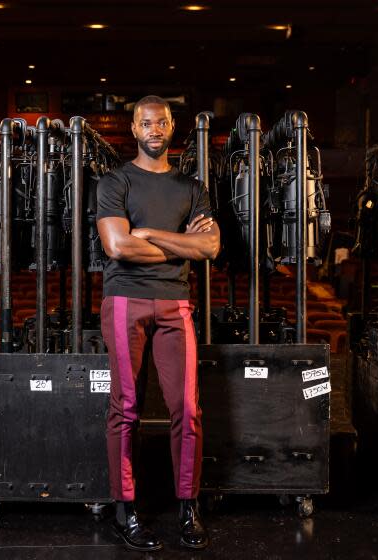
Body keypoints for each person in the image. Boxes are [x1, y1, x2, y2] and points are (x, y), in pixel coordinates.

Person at [96, 95, 220, 551]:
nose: (154, 129)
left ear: (172, 127)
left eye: (162, 122)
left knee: (186, 409)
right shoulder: (114, 182)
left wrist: (147, 233)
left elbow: (209, 249)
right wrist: (181, 242)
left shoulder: (192, 187)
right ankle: (124, 510)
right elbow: (118, 248)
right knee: (125, 406)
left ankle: (189, 506)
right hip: (125, 298)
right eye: (145, 123)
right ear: (134, 129)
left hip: (174, 302)